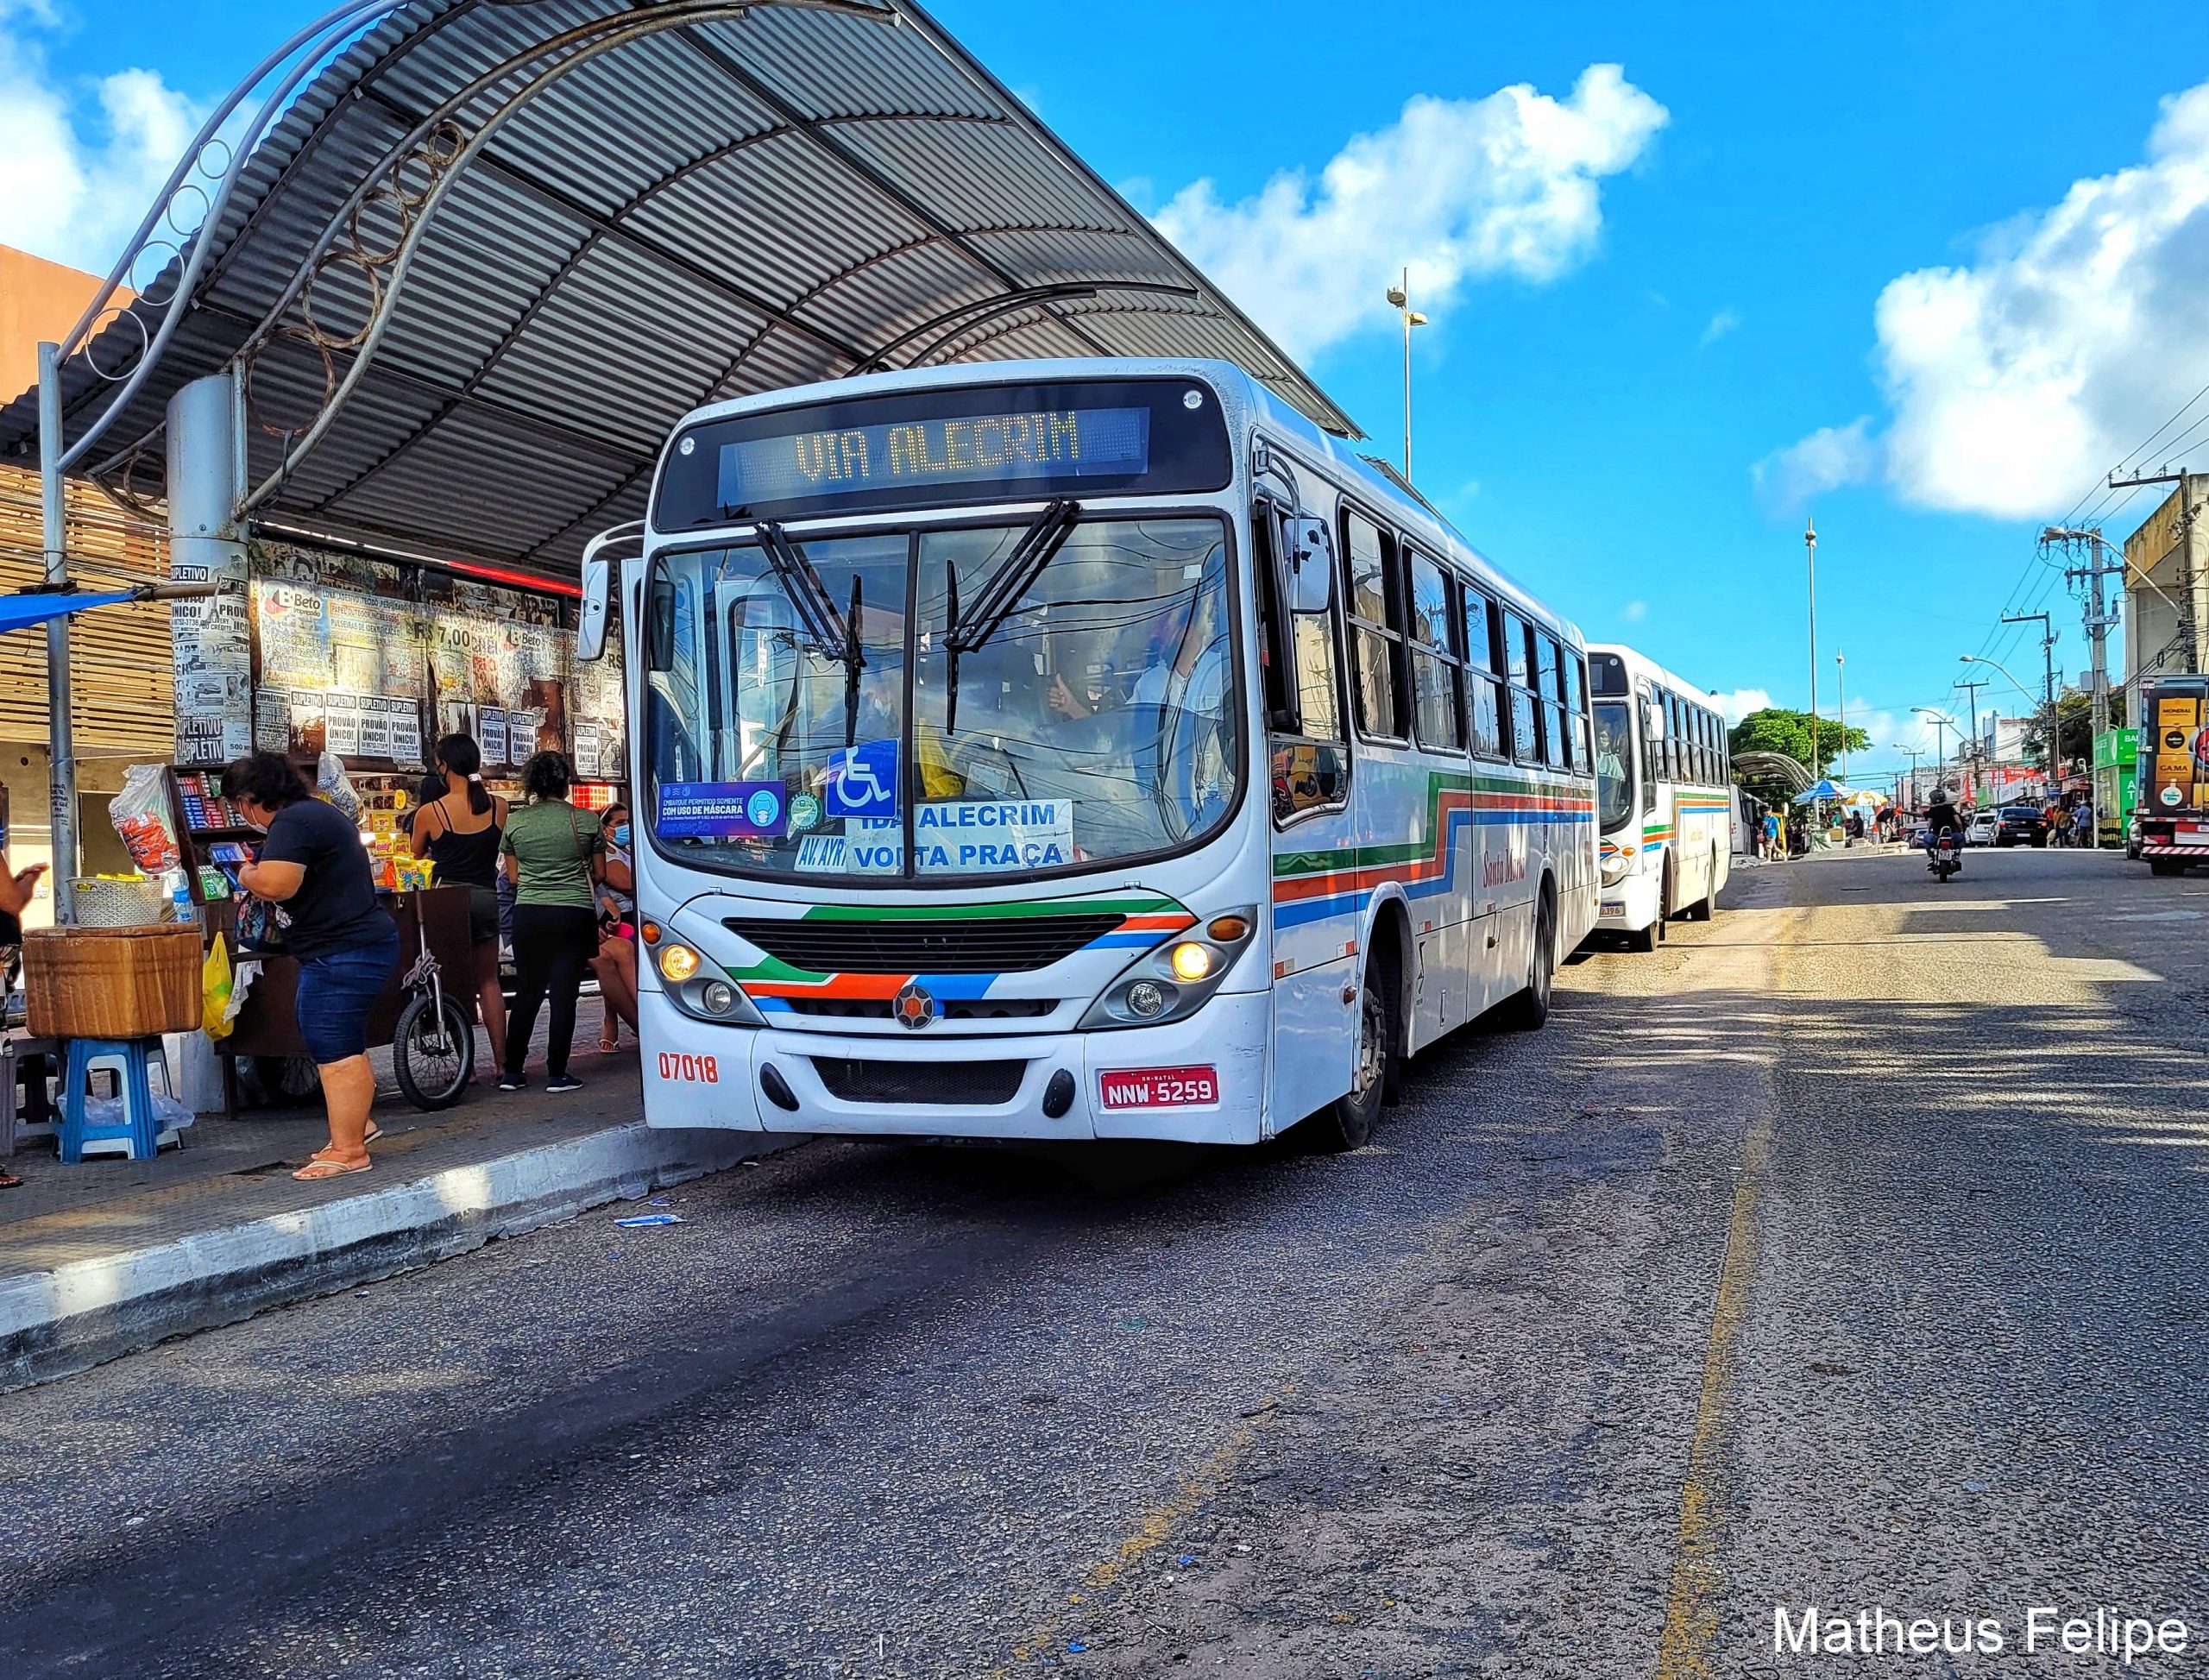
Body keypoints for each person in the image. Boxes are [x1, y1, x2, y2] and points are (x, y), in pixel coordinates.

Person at [223, 752, 398, 1180]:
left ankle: (350, 1150)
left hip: (342, 950)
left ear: (250, 798)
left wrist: (245, 874)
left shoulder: (294, 822)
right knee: (340, 1042)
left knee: (335, 1047)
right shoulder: (313, 814)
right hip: (349, 947)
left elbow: (278, 884)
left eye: (237, 805)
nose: (240, 814)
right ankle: (356, 1129)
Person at [499, 750, 602, 1094]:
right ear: (565, 783)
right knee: (563, 994)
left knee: (527, 991)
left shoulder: (516, 822)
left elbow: (513, 878)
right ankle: (557, 1073)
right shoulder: (586, 820)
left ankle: (513, 1072)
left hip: (529, 913)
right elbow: (600, 873)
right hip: (573, 913)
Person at [408, 733, 510, 1080]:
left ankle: (467, 1069)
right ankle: (503, 1064)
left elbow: (416, 858)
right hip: (486, 896)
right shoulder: (499, 807)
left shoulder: (430, 812)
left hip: (446, 901)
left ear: (444, 766)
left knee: (451, 983)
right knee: (489, 981)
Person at [592, 802, 639, 1053]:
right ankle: (634, 1017)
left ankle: (613, 1022)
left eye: (627, 822)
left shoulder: (628, 850)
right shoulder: (604, 854)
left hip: (633, 914)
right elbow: (629, 884)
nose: (626, 827)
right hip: (619, 920)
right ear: (605, 828)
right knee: (623, 956)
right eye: (620, 823)